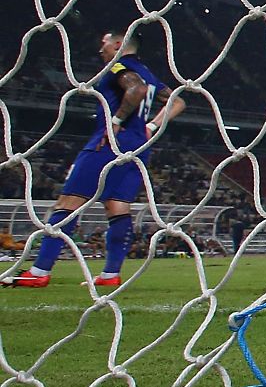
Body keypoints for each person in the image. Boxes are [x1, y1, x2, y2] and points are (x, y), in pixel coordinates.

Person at [3, 31, 185, 288]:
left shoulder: (118, 67)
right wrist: (152, 126)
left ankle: (39, 271)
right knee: (117, 206)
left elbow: (136, 89)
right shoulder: (148, 72)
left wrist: (116, 121)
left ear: (119, 45)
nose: (101, 49)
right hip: (139, 147)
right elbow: (178, 102)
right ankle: (111, 274)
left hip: (108, 142)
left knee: (68, 203)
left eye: (105, 43)